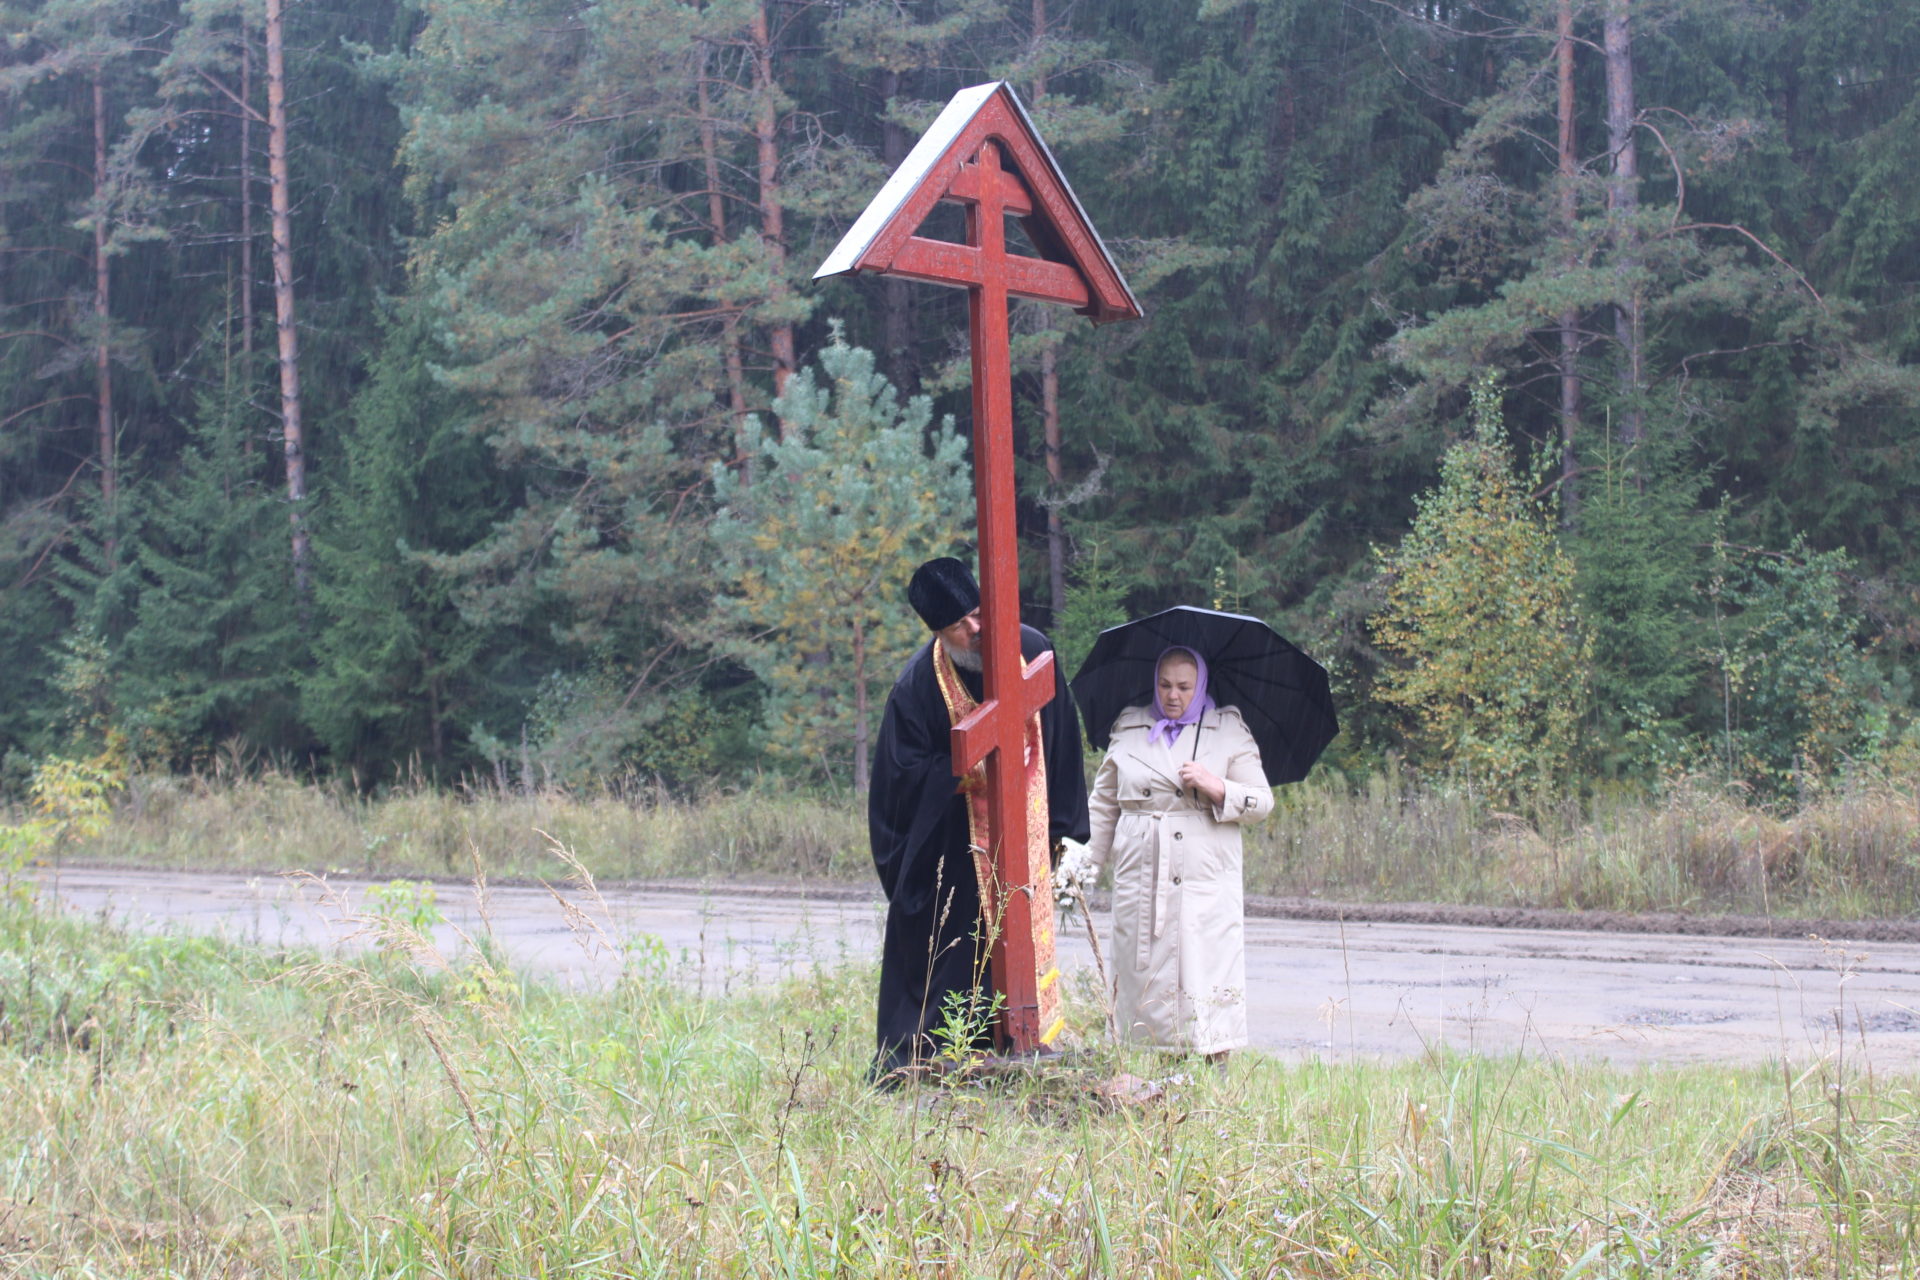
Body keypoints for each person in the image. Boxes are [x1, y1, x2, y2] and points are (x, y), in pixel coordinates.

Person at [866, 557, 1090, 1081]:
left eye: (977, 613)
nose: (975, 629)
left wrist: (1064, 830)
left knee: (1022, 943)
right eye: (958, 626)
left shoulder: (1032, 650)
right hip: (955, 847)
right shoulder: (918, 688)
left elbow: (1062, 736)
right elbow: (899, 783)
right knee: (957, 950)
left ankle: (1025, 1038)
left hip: (1024, 832)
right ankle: (943, 1057)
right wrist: (964, 768)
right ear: (937, 633)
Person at [1083, 645, 1272, 1062]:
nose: (1173, 695)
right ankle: (1144, 1075)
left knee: (1203, 975)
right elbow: (1104, 805)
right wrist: (1084, 869)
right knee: (1140, 977)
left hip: (1204, 880)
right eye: (1165, 685)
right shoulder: (1129, 727)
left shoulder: (1227, 729)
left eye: (1185, 687)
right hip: (1141, 876)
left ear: (1200, 685)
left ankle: (1214, 1075)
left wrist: (1217, 786)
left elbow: (1262, 802)